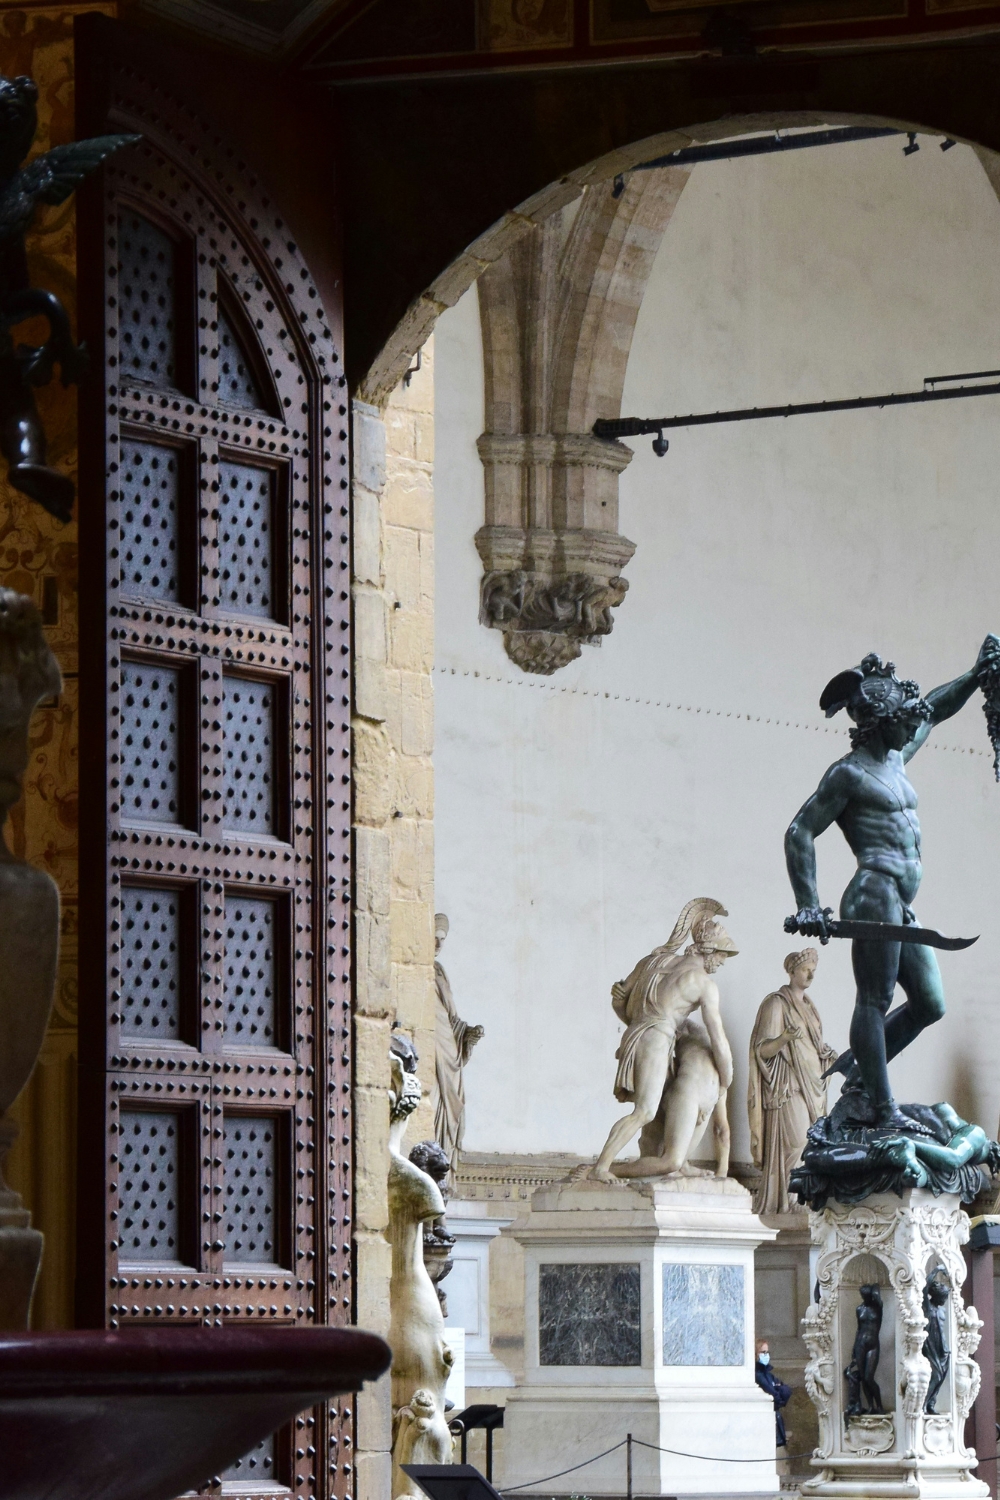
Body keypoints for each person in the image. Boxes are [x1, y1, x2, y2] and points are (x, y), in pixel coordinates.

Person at [785, 641, 999, 1127]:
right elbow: (800, 829)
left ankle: (861, 1074)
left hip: (900, 900)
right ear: (883, 723)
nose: (914, 725)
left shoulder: (896, 758)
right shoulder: (849, 774)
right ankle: (881, 1110)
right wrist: (808, 904)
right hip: (873, 891)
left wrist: (974, 674)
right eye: (905, 718)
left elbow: (936, 711)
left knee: (930, 1003)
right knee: (874, 1000)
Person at [588, 898, 737, 1182]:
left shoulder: (653, 961)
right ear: (709, 951)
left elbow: (621, 1003)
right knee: (644, 1111)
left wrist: (646, 1026)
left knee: (655, 1112)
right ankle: (601, 1168)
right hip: (658, 1040)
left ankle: (676, 1166)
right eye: (721, 955)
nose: (721, 962)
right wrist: (727, 1074)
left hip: (638, 1036)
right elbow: (717, 1036)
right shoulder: (704, 984)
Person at [748, 948, 836, 1215]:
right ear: (791, 972)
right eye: (805, 969)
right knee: (797, 1144)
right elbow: (761, 1051)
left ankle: (805, 1200)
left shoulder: (810, 1008)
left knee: (811, 1146)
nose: (810, 974)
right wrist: (784, 1038)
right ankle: (787, 1201)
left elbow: (812, 1049)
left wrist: (825, 1058)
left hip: (812, 1089)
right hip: (788, 1089)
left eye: (813, 970)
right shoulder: (776, 1004)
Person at [432, 914, 484, 1178]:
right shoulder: (413, 972)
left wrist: (466, 1035)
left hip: (449, 1056)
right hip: (431, 1055)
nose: (438, 944)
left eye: (442, 939)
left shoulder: (439, 971)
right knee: (429, 1110)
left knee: (446, 1112)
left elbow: (451, 1018)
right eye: (434, 937)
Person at [755, 1340, 792, 1448]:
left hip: (774, 1420)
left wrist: (778, 1391)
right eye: (763, 1352)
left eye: (767, 1352)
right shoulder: (757, 1375)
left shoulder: (768, 1375)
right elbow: (773, 1394)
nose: (766, 1355)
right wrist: (778, 1391)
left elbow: (786, 1390)